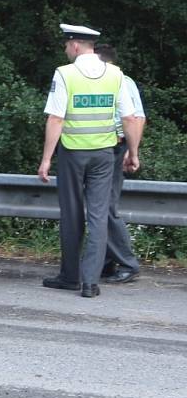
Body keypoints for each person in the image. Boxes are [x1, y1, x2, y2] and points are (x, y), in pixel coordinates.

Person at [37, 24, 141, 298]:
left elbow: (56, 119)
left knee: (72, 215)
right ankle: (91, 282)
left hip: (72, 153)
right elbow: (129, 118)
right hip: (105, 154)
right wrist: (133, 152)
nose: (65, 49)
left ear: (74, 45)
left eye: (66, 44)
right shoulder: (116, 74)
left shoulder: (65, 74)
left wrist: (46, 158)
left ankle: (70, 277)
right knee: (98, 216)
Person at [95, 43, 146, 283]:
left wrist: (130, 151)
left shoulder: (111, 80)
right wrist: (132, 150)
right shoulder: (127, 81)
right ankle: (106, 261)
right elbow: (140, 117)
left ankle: (127, 262)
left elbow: (133, 118)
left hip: (112, 147)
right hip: (118, 146)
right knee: (103, 206)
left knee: (104, 208)